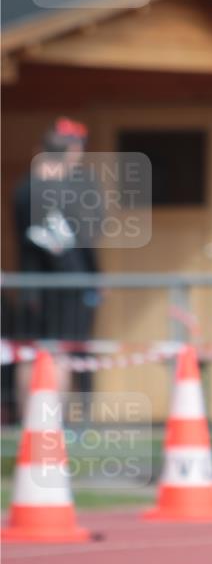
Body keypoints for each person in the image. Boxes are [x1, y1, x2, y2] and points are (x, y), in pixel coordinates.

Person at [13, 117, 102, 415]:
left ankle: (29, 425)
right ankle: (51, 425)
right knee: (60, 353)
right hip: (66, 287)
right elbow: (85, 235)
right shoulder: (65, 191)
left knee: (31, 353)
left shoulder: (25, 188)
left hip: (33, 287)